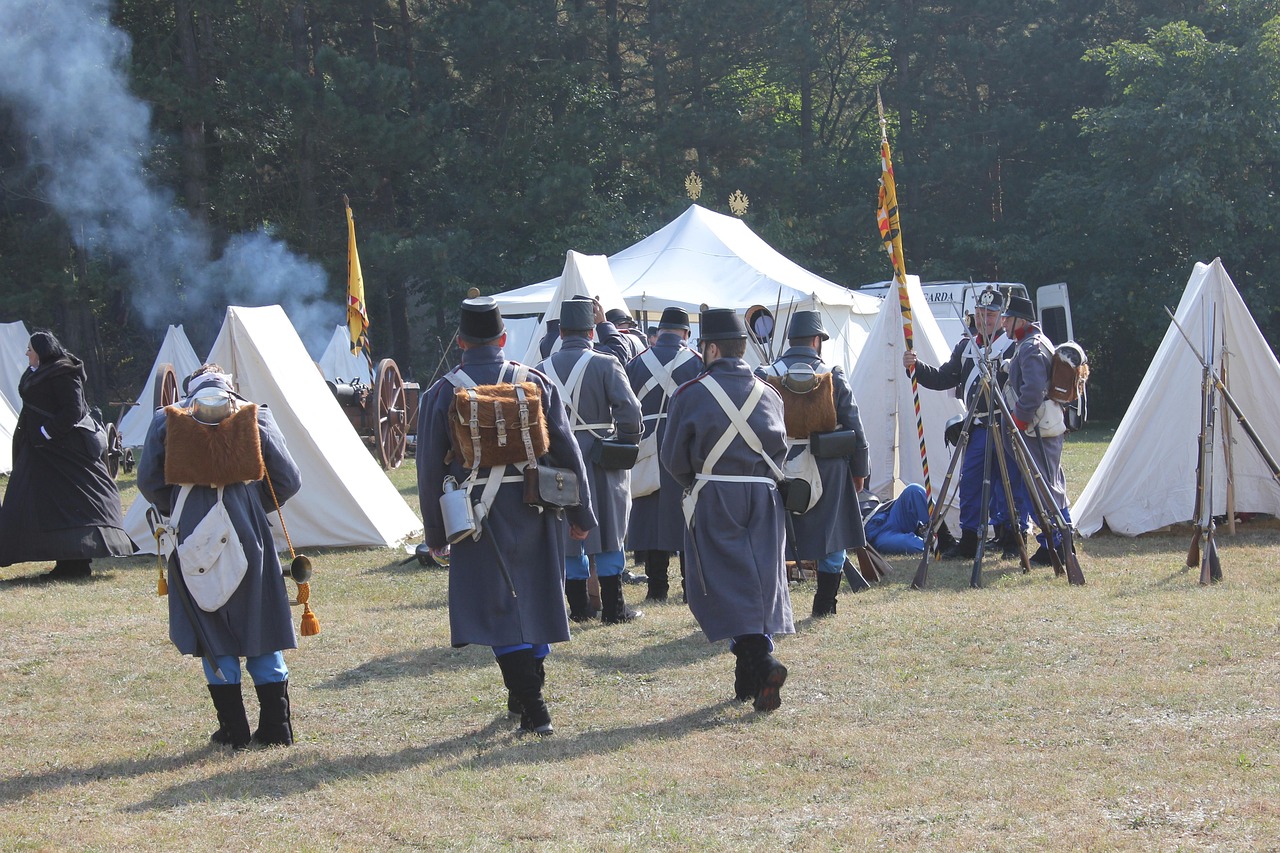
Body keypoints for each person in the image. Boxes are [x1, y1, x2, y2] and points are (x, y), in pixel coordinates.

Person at [418, 296, 596, 735]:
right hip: (533, 507)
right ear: (503, 338)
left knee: (499, 610)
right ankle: (525, 692)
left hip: (476, 516)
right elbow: (567, 449)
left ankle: (534, 706)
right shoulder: (533, 380)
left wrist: (436, 531)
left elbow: (427, 468)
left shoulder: (441, 391)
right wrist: (581, 511)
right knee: (534, 599)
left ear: (460, 341)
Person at [137, 365, 303, 749]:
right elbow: (289, 479)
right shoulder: (256, 414)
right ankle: (277, 728)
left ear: (189, 388)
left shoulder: (167, 418)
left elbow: (148, 481)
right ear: (231, 387)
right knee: (259, 623)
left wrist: (184, 505)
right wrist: (248, 504)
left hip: (192, 527)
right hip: (248, 527)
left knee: (211, 628)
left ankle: (234, 731)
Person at [661, 308, 794, 712]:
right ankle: (749, 681)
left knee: (722, 586)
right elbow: (780, 450)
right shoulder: (769, 392)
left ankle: (762, 662)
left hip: (714, 495)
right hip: (764, 497)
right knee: (759, 586)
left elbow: (672, 458)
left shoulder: (690, 393)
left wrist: (697, 483)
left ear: (712, 348)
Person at [758, 311, 870, 617]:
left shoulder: (764, 373)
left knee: (772, 537)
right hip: (828, 468)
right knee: (832, 537)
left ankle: (775, 607)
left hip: (775, 467)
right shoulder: (833, 373)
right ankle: (824, 605)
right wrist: (860, 471)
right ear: (817, 340)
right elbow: (855, 427)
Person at [538, 299, 643, 624]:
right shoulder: (606, 363)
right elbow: (630, 412)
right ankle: (614, 609)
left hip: (559, 460)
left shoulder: (542, 370)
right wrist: (624, 442)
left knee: (569, 533)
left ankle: (579, 608)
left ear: (562, 331)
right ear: (591, 330)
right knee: (610, 531)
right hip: (601, 456)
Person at [0, 330, 131, 579]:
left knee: (75, 504)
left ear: (41, 351)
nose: (26, 352)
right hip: (41, 452)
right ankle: (64, 562)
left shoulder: (64, 372)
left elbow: (73, 410)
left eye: (30, 348)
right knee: (44, 503)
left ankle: (78, 563)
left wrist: (45, 432)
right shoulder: (38, 371)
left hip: (66, 450)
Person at [903, 286, 1019, 559]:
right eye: (981, 314)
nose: (985, 319)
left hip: (1004, 426)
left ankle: (1012, 538)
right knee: (970, 483)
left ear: (1002, 318)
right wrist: (915, 367)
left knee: (1008, 484)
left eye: (991, 314)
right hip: (976, 425)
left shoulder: (1012, 348)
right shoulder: (967, 347)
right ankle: (969, 539)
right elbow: (944, 378)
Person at [624, 306, 702, 602]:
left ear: (660, 331)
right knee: (686, 515)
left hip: (646, 445)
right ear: (686, 333)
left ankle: (657, 588)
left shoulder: (636, 363)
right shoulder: (696, 362)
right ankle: (689, 587)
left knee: (651, 516)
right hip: (684, 445)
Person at [1001, 294, 1071, 565]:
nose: (1004, 323)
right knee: (1046, 486)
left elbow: (1033, 389)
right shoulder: (1028, 345)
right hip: (1038, 426)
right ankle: (1056, 542)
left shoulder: (1030, 347)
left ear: (1022, 320)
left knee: (1043, 487)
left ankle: (1057, 544)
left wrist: (1018, 420)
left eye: (1008, 318)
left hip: (1035, 428)